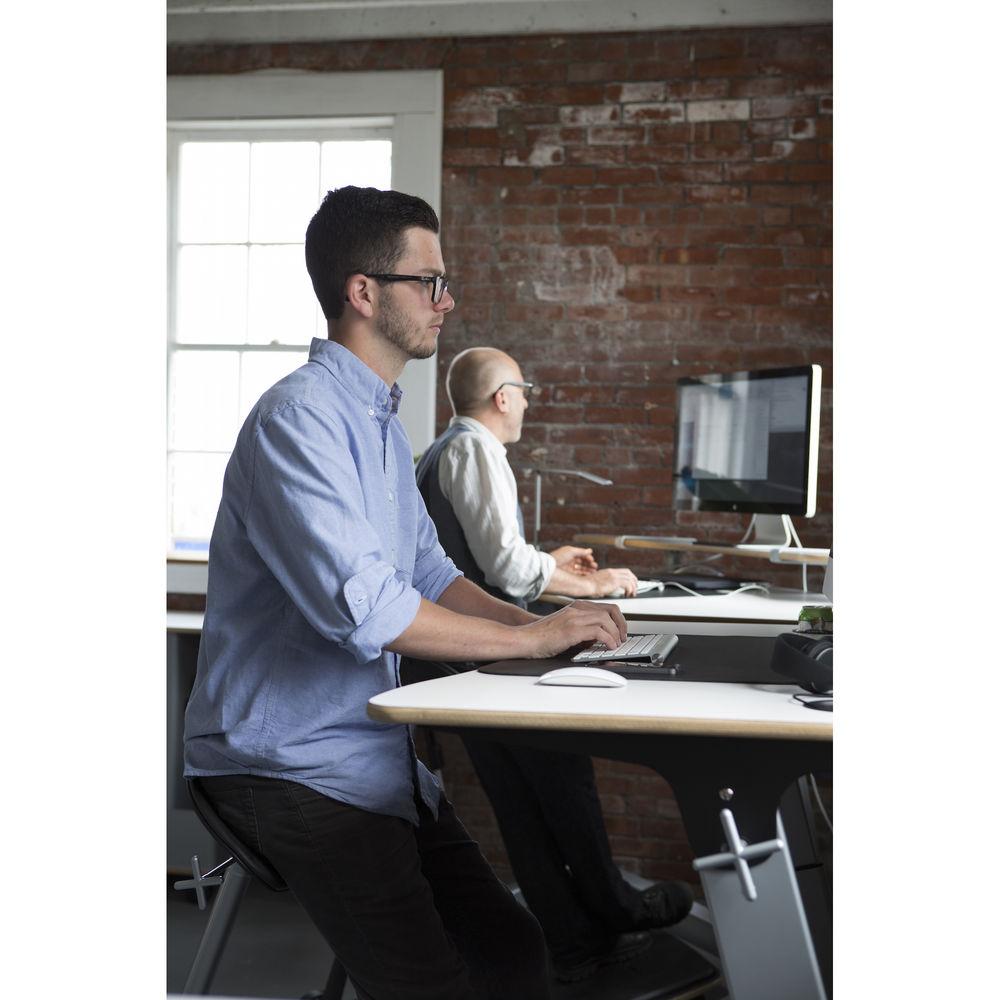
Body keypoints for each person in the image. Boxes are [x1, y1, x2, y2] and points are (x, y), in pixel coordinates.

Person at [183, 186, 632, 1000]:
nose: (447, 300)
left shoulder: (383, 425)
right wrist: (529, 643)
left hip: (372, 762)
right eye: (429, 282)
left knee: (517, 955)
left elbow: (429, 576)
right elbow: (373, 610)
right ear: (364, 293)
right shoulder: (299, 421)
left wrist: (544, 623)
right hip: (287, 767)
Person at [410, 346, 694, 982]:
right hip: (487, 656)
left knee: (518, 798)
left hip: (463, 658)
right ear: (502, 397)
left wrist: (554, 563)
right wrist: (595, 586)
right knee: (560, 769)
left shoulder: (444, 450)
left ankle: (571, 940)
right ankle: (615, 907)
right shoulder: (474, 449)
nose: (530, 401)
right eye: (525, 390)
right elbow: (507, 570)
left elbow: (489, 557)